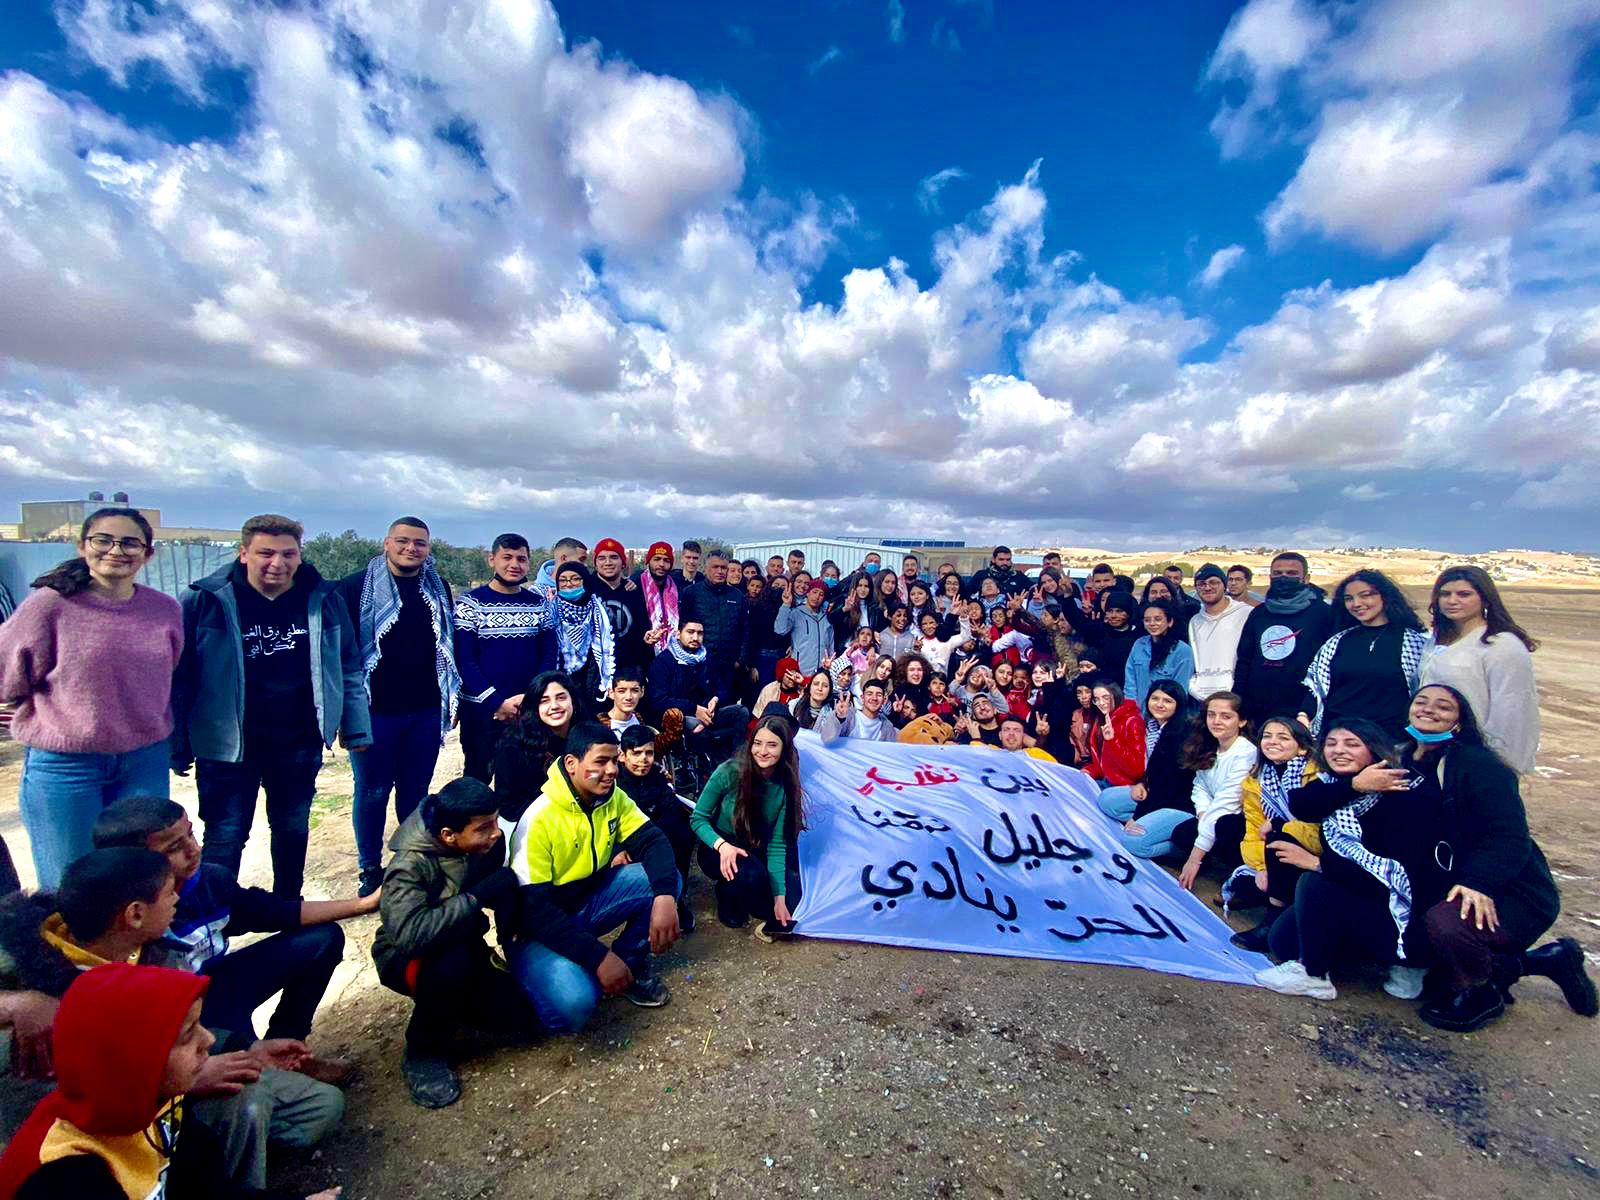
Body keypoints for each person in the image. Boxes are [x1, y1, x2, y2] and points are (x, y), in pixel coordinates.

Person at [0, 849, 345, 1193]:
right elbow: (69, 1098)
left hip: (164, 1096)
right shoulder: (37, 995)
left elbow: (183, 1033)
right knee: (244, 1101)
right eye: (169, 892)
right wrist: (14, 1003)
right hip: (118, 1128)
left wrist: (247, 1048)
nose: (178, 898)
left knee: (321, 1108)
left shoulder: (152, 949)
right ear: (135, 913)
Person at [0, 963, 337, 1200]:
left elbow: (206, 1191)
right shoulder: (64, 1175)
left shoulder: (156, 1099)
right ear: (134, 1059)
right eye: (187, 1035)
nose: (208, 1040)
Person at [90, 797, 365, 1084]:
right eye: (173, 848)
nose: (193, 849)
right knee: (254, 1080)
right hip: (179, 1019)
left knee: (322, 939)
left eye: (191, 834)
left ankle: (291, 1052)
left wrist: (364, 904)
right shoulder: (126, 927)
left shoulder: (210, 881)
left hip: (217, 986)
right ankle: (254, 1068)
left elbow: (277, 912)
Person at [172, 514, 370, 900]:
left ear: (299, 555)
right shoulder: (206, 600)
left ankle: (289, 910)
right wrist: (177, 742)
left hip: (298, 740)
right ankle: (217, 916)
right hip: (227, 745)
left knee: (292, 830)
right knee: (226, 835)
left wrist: (356, 725)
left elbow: (348, 665)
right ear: (244, 553)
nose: (277, 563)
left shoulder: (323, 600)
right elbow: (181, 676)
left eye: (287, 554)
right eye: (265, 553)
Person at [0, 508, 182, 889]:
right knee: (71, 883)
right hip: (67, 766)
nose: (116, 550)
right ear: (83, 546)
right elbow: (7, 672)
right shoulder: (50, 605)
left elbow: (170, 674)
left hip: (144, 761)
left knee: (140, 879)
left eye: (129, 543)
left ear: (148, 553)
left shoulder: (165, 610)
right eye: (103, 540)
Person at [1400, 685, 1594, 1031]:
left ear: (1459, 722)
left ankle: (1481, 993)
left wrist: (1479, 882)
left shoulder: (1479, 766)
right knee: (1419, 954)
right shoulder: (1402, 759)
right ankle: (1551, 960)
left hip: (1509, 889)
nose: (1429, 710)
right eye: (1422, 702)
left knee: (1447, 925)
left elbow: (1509, 835)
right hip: (1445, 878)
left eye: (1443, 707)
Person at [1255, 720, 1451, 1002]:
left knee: (1316, 882)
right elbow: (1302, 804)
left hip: (1405, 911)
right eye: (1331, 744)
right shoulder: (1339, 784)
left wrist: (1318, 864)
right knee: (1283, 941)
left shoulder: (1403, 793)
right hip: (1359, 895)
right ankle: (1364, 955)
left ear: (1373, 749)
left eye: (1352, 744)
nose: (1339, 751)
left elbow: (1398, 876)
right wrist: (1355, 785)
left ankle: (1315, 975)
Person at [506, 722, 680, 1031]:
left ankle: (628, 965)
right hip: (536, 930)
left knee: (667, 879)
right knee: (576, 1003)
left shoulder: (613, 797)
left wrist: (665, 897)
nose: (612, 770)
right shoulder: (539, 819)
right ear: (571, 764)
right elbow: (534, 911)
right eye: (600, 761)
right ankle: (533, 989)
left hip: (586, 905)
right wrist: (598, 957)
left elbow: (653, 841)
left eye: (614, 760)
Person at [371, 778, 530, 1108]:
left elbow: (495, 889)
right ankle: (423, 1052)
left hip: (463, 942)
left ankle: (458, 1007)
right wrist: (474, 899)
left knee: (517, 1015)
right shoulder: (409, 867)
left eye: (495, 822)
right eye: (484, 828)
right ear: (448, 835)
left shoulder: (486, 844)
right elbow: (409, 936)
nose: (495, 833)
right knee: (449, 967)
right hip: (409, 958)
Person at [339, 517, 461, 898]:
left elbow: (446, 646)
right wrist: (347, 715)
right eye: (403, 541)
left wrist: (449, 698)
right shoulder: (355, 587)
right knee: (372, 792)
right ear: (387, 543)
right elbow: (343, 655)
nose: (411, 549)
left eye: (419, 543)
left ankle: (409, 862)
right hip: (374, 712)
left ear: (428, 548)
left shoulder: (437, 587)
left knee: (415, 791)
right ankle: (369, 867)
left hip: (425, 709)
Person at [453, 533, 556, 784]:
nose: (514, 564)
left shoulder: (540, 605)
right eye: (506, 557)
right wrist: (496, 703)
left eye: (521, 559)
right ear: (492, 560)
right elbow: (465, 661)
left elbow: (549, 656)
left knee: (524, 782)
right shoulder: (470, 604)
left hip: (527, 710)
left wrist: (529, 698)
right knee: (477, 780)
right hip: (481, 712)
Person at [690, 717, 804, 941]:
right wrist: (722, 846)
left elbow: (777, 845)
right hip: (719, 846)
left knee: (794, 897)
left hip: (754, 846)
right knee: (752, 877)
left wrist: (779, 898)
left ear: (784, 749)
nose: (762, 751)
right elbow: (698, 818)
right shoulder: (729, 771)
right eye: (757, 743)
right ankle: (726, 892)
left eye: (772, 745)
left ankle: (753, 894)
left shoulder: (785, 784)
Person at [1419, 566, 1540, 775]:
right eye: (1445, 594)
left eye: (1464, 594)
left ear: (1485, 599)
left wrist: (1500, 767)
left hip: (1477, 757)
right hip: (1434, 751)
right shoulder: (1436, 641)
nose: (1452, 600)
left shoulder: (1501, 645)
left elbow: (1513, 710)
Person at [1228, 718, 1322, 952]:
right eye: (1267, 736)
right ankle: (1275, 900)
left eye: (1283, 737)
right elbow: (1254, 828)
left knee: (1278, 836)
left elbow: (1319, 832)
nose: (1272, 742)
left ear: (1302, 747)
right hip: (1275, 853)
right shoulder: (1257, 777)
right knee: (1243, 882)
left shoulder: (1316, 776)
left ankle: (1274, 916)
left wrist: (1282, 826)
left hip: (1315, 855)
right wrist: (1262, 867)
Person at [1301, 569, 1427, 741]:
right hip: (1338, 739)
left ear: (1385, 596)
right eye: (1349, 598)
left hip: (1391, 741)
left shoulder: (1414, 644)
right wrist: (1303, 715)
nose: (1356, 603)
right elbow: (1316, 687)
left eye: (1365, 595)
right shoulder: (1336, 642)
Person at [1232, 552, 1335, 729]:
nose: (1284, 577)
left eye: (1292, 573)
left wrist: (1308, 710)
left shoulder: (1324, 614)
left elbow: (1328, 668)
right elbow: (1244, 660)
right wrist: (1238, 702)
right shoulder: (1259, 614)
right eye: (1278, 573)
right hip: (1257, 711)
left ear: (1306, 578)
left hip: (1302, 713)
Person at [617, 726, 696, 932]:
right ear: (622, 755)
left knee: (682, 834)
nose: (643, 759)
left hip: (656, 834)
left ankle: (676, 897)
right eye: (636, 753)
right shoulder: (614, 782)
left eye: (648, 753)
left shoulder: (656, 775)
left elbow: (670, 807)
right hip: (629, 839)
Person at [1095, 681, 1197, 829]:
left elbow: (1168, 784)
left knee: (1132, 839)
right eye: (1155, 698)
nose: (1159, 704)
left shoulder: (1181, 733)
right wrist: (1142, 783)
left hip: (1172, 799)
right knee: (1106, 800)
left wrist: (1138, 816)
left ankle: (1171, 833)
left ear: (1178, 705)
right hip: (1150, 789)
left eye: (1167, 701)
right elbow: (1149, 768)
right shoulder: (1152, 726)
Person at [647, 619, 751, 761]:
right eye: (690, 632)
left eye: (700, 633)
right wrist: (694, 709)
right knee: (699, 728)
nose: (695, 637)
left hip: (708, 712)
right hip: (681, 717)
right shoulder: (663, 661)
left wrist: (716, 699)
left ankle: (737, 762)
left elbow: (721, 687)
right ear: (678, 634)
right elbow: (658, 700)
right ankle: (708, 768)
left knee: (741, 712)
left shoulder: (706, 659)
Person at [493, 672, 579, 827]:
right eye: (544, 701)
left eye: (561, 698)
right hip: (533, 822)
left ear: (572, 700)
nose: (554, 706)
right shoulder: (513, 744)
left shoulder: (587, 733)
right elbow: (508, 805)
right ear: (535, 706)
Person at [682, 550, 747, 702]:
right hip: (699, 664)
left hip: (728, 666)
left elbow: (745, 630)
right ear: (706, 569)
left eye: (723, 568)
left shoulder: (737, 596)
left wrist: (740, 660)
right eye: (715, 567)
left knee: (726, 708)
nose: (720, 571)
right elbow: (682, 627)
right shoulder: (691, 593)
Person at [549, 561, 615, 703]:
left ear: (585, 581)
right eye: (563, 580)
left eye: (575, 579)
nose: (568, 584)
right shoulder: (550, 611)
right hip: (559, 684)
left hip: (591, 685)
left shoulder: (599, 611)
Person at [1186, 564, 1250, 700]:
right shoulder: (1195, 621)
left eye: (1213, 582)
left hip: (1236, 695)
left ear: (1224, 585)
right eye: (1201, 584)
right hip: (1202, 697)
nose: (1207, 587)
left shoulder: (1246, 614)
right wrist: (1193, 686)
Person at [590, 537, 649, 672]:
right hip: (595, 670)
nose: (608, 563)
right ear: (595, 563)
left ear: (623, 562)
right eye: (602, 558)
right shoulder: (587, 590)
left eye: (614, 557)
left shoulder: (633, 591)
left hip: (628, 670)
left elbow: (642, 631)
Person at [1122, 598, 1194, 707]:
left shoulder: (1182, 651)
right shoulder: (1139, 644)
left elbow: (1180, 690)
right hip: (1138, 711)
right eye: (1147, 620)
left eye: (1158, 619)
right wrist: (1131, 709)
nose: (1152, 623)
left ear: (1170, 621)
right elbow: (1130, 682)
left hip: (1165, 710)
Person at [1083, 681, 1146, 786]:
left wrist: (1112, 741)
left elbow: (1137, 769)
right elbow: (1103, 762)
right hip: (1105, 780)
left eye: (1105, 698)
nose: (1101, 703)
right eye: (1096, 699)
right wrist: (1089, 771)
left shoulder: (1132, 721)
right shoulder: (1100, 719)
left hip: (1125, 784)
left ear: (1116, 696)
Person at [774, 578, 835, 676]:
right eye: (814, 592)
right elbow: (780, 630)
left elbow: (830, 644)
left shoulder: (827, 617)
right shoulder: (796, 612)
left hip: (821, 673)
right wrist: (786, 605)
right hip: (800, 671)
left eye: (821, 594)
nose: (817, 597)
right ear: (807, 593)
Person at [743, 575, 788, 689]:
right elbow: (751, 636)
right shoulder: (758, 607)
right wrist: (752, 665)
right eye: (776, 585)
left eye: (783, 586)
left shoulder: (789, 608)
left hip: (782, 657)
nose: (779, 589)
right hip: (762, 657)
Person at [818, 679, 897, 743]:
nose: (874, 698)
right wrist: (839, 718)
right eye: (869, 694)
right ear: (862, 698)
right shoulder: (849, 715)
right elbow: (826, 739)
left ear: (884, 700)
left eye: (879, 695)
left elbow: (890, 753)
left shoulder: (887, 727)